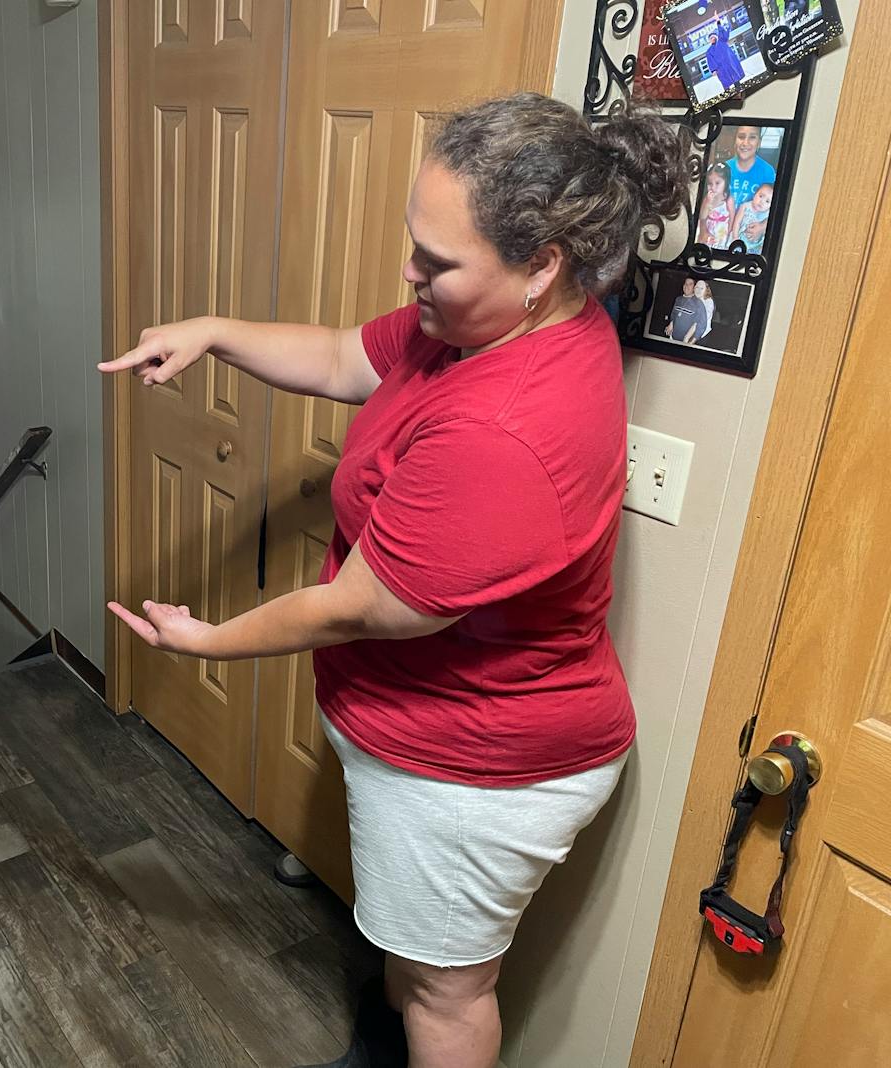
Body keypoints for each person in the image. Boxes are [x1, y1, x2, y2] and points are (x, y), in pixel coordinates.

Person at [99, 93, 691, 1068]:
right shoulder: (492, 324)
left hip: (480, 768)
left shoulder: (502, 432)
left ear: (540, 265)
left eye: (436, 260)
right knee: (410, 971)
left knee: (444, 996)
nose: (408, 273)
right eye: (416, 243)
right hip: (440, 737)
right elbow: (342, 357)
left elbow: (353, 608)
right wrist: (211, 328)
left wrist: (203, 640)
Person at [727, 125, 777, 210]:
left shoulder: (768, 172)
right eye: (741, 137)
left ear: (759, 142)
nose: (745, 143)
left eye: (752, 137)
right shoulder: (725, 168)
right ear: (735, 140)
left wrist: (763, 224)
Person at [697, 162, 735, 249]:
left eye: (717, 183)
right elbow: (702, 217)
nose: (713, 188)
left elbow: (732, 218)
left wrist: (728, 233)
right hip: (707, 230)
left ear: (726, 182)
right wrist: (708, 202)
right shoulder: (707, 198)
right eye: (710, 184)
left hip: (721, 232)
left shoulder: (728, 199)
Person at [732, 182, 775, 254]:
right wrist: (735, 238)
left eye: (767, 201)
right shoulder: (745, 206)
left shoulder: (767, 214)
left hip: (756, 244)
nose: (762, 202)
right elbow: (737, 222)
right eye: (761, 196)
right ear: (755, 194)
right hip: (741, 238)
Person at [666, 276, 709, 343]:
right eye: (685, 283)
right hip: (672, 337)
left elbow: (701, 325)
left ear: (694, 287)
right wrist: (671, 323)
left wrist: (691, 342)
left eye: (690, 284)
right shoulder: (678, 299)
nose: (687, 286)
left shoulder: (699, 303)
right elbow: (674, 314)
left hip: (685, 342)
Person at [704, 24, 745, 92]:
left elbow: (723, 34)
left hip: (729, 64)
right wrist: (714, 70)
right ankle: (728, 94)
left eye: (714, 37)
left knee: (735, 78)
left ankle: (739, 89)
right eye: (711, 38)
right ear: (709, 40)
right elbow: (711, 61)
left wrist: (718, 23)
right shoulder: (709, 51)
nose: (713, 39)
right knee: (725, 82)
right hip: (721, 69)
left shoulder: (722, 41)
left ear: (716, 37)